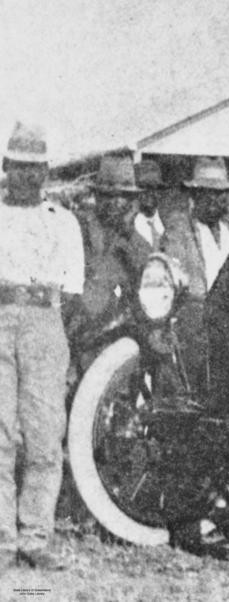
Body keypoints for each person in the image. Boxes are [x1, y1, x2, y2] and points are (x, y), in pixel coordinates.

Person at [0, 122, 84, 569]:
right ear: (4, 168)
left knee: (45, 434)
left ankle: (35, 536)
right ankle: (2, 541)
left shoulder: (63, 222)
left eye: (35, 169)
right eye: (18, 167)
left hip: (45, 321)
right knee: (0, 433)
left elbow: (72, 292)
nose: (27, 176)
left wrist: (49, 330)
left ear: (46, 172)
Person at [160, 156, 229, 389]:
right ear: (195, 195)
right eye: (210, 193)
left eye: (222, 193)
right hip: (197, 328)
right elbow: (173, 276)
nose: (218, 199)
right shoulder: (179, 230)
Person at [72, 155, 153, 373]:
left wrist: (128, 235)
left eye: (124, 196)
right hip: (76, 333)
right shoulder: (78, 228)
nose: (116, 202)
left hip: (116, 340)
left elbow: (148, 282)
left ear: (132, 201)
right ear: (97, 197)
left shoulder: (138, 243)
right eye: (108, 196)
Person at [133, 159, 167, 249]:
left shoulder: (166, 222)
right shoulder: (131, 225)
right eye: (144, 187)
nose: (150, 193)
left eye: (155, 188)